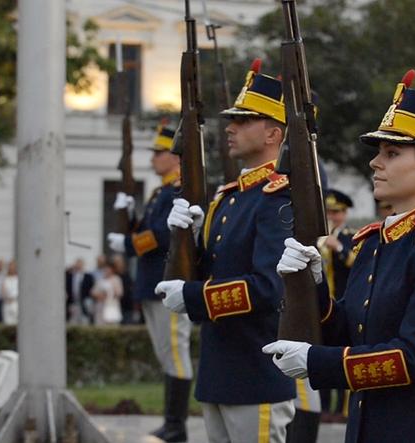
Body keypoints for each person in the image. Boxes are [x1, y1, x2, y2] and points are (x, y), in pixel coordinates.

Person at [263, 70, 415, 442]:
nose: (375, 163)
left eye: (392, 153)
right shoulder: (375, 241)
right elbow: (348, 331)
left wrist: (316, 363)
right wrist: (313, 287)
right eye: (378, 153)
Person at [155, 59, 296, 443]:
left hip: (256, 371)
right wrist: (184, 239)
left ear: (273, 134)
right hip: (219, 370)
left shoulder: (279, 197)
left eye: (244, 120)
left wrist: (193, 295)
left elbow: (268, 288)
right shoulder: (230, 197)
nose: (230, 128)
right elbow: (212, 268)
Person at [106, 125, 193, 442]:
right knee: (165, 353)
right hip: (152, 282)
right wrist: (127, 217)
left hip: (168, 280)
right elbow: (145, 229)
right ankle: (172, 422)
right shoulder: (160, 192)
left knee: (175, 351)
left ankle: (177, 424)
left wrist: (127, 244)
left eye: (158, 153)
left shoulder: (179, 190)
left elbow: (159, 236)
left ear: (174, 156)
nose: (153, 159)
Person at [316, 189, 357, 424]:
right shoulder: (318, 236)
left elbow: (355, 263)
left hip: (342, 302)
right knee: (321, 356)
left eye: (338, 212)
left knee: (342, 356)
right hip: (322, 304)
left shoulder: (351, 236)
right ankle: (322, 408)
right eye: (330, 212)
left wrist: (339, 248)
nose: (334, 216)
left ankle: (342, 410)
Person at [90, 259, 123, 325]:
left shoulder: (116, 279)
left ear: (112, 270)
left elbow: (119, 293)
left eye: (108, 269)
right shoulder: (100, 280)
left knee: (112, 324)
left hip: (111, 305)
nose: (106, 271)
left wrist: (110, 293)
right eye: (105, 270)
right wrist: (99, 295)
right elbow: (93, 292)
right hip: (101, 306)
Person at [65, 258, 95, 325]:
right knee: (73, 321)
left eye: (80, 264)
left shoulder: (88, 276)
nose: (79, 266)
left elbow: (91, 288)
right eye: (77, 264)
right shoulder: (70, 276)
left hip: (85, 302)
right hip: (73, 302)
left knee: (85, 321)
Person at [1, 260, 19, 326]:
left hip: (16, 303)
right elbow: (3, 290)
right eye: (10, 267)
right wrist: (6, 298)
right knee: (7, 323)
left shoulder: (18, 278)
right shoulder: (5, 279)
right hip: (7, 303)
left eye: (13, 267)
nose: (11, 268)